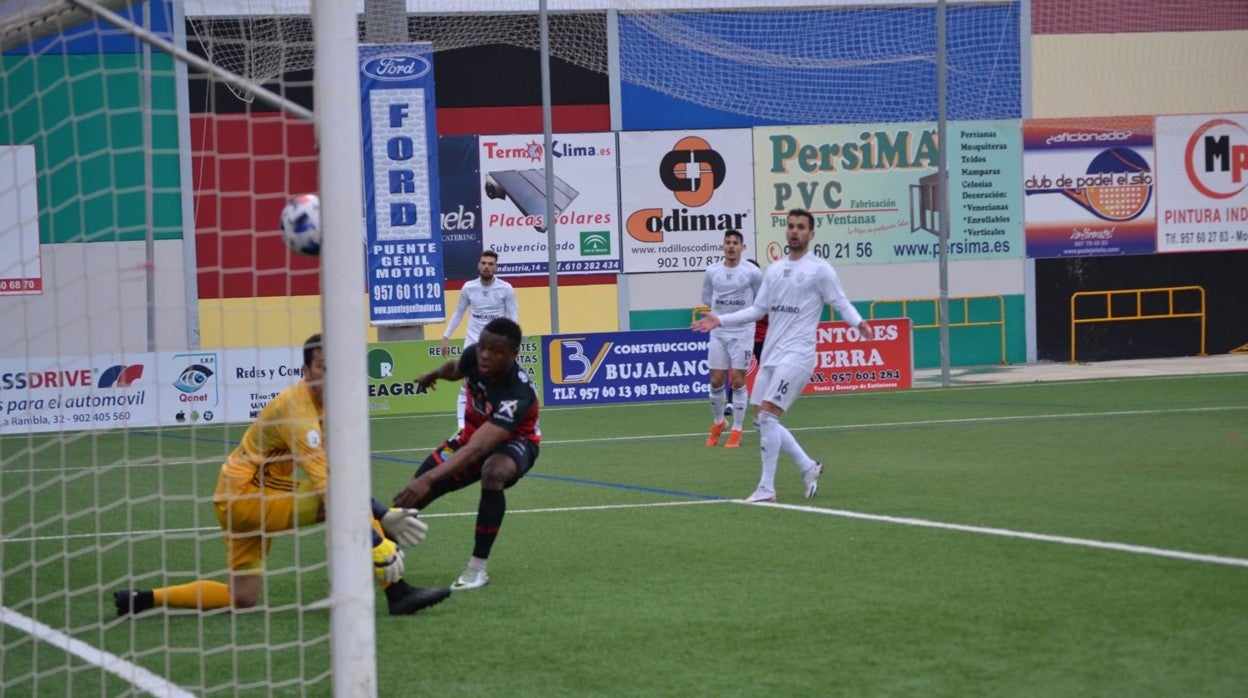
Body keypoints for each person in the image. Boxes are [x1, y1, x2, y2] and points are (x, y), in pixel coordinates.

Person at [114, 334, 451, 617]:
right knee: (340, 501)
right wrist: (377, 543)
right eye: (323, 368)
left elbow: (337, 472)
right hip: (248, 496)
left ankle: (143, 600)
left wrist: (382, 514)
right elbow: (329, 489)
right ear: (306, 370)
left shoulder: (328, 406)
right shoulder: (298, 409)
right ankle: (399, 593)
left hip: (242, 497)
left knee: (241, 598)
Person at [693, 209, 872, 503]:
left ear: (811, 234)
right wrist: (721, 320)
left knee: (769, 416)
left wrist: (858, 322)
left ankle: (767, 487)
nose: (794, 231)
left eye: (801, 227)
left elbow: (840, 302)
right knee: (762, 420)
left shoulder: (820, 270)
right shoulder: (774, 270)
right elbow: (757, 310)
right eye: (790, 226)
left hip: (798, 355)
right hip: (773, 355)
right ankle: (808, 467)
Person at [395, 317, 540, 591]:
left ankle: (477, 568)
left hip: (514, 443)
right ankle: (381, 553)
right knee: (412, 498)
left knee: (492, 471)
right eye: (482, 347)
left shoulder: (517, 395)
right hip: (471, 435)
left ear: (513, 354)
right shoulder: (476, 355)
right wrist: (434, 374)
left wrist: (429, 479)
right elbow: (455, 368)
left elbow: (478, 450)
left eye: (495, 351)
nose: (484, 355)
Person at [441, 249, 519, 430]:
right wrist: (446, 336)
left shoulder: (505, 289)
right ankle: (462, 426)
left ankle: (496, 422)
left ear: (496, 268)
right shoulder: (468, 287)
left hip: (496, 346)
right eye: (484, 263)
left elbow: (513, 315)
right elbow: (458, 313)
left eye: (491, 264)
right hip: (472, 344)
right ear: (478, 265)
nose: (486, 267)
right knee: (465, 383)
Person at [701, 230, 762, 448]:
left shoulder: (752, 272)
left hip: (743, 331)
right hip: (719, 331)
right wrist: (722, 315)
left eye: (736, 243)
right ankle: (719, 423)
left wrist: (739, 316)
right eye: (728, 242)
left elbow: (760, 299)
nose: (731, 246)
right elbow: (707, 297)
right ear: (723, 246)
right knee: (716, 380)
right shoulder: (712, 271)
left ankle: (737, 429)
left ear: (742, 247)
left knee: (737, 380)